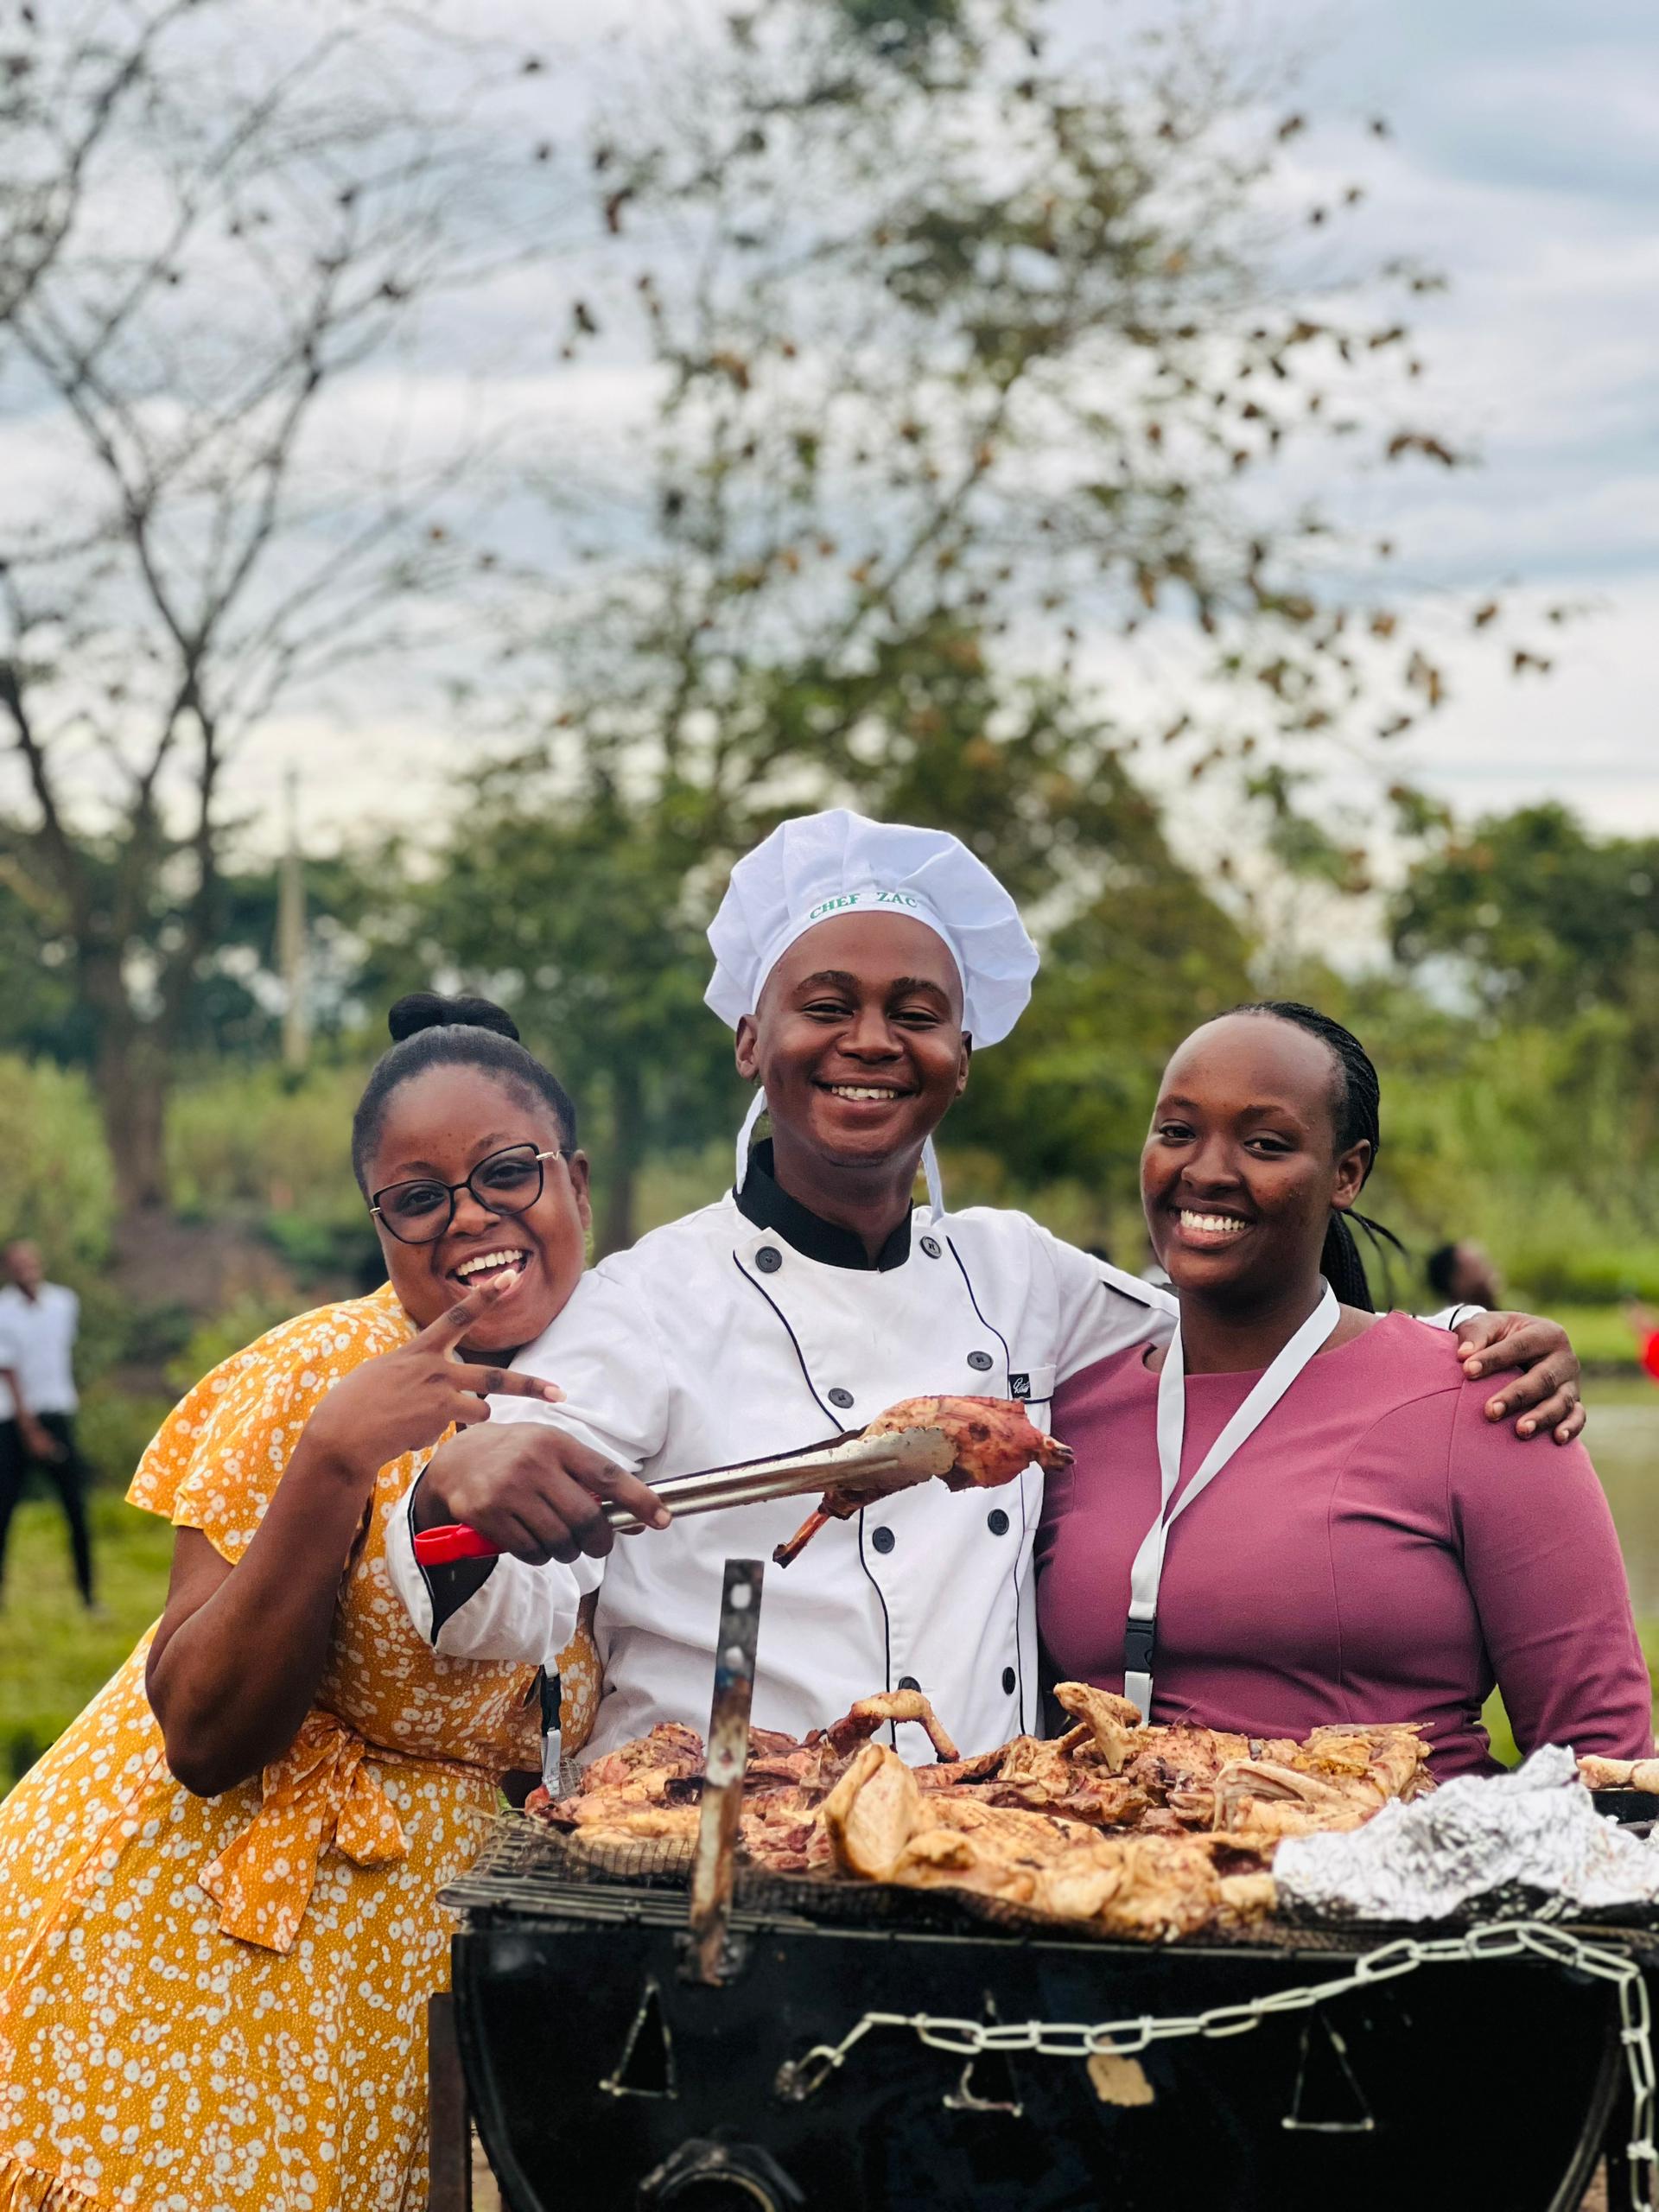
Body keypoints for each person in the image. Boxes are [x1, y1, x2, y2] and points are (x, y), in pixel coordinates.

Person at [386, 811, 1584, 1765]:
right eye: (826, 1006)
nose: (871, 1040)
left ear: (960, 1062)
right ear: (751, 1038)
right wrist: (461, 1489)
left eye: (917, 1014)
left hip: (976, 1858)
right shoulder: (646, 1303)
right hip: (718, 1854)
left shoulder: (1015, 1272)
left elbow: (1242, 1330)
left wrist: (1461, 1342)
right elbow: (508, 1607)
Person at [0, 995, 658, 2212]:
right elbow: (201, 1735)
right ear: (381, 1222)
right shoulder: (312, 1378)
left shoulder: (642, 1378)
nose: (470, 1218)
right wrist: (331, 1464)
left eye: (508, 1173)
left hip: (395, 1979)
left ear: (573, 1177)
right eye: (419, 1197)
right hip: (177, 1958)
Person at [1036, 1003, 1650, 1777]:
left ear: (1347, 1174)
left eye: (1265, 1144)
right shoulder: (1065, 1417)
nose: (1208, 1170)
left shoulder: (1483, 1401)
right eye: (1177, 1131)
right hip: (1102, 1882)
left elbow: (1603, 1755)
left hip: (1399, 1885)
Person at [0, 1241, 96, 1610]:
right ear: (9, 1268)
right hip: (15, 1421)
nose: (25, 1267)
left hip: (59, 1414)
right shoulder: (3, 1311)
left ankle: (88, 1595)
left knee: (77, 1508)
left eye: (29, 1260)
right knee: (5, 1511)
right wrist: (32, 1433)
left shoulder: (64, 1303)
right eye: (16, 1262)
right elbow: (9, 1375)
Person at [1427, 1237, 1503, 1311]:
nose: (1490, 1272)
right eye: (1477, 1267)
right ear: (1457, 1282)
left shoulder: (1496, 1315)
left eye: (1485, 1262)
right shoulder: (1462, 1321)